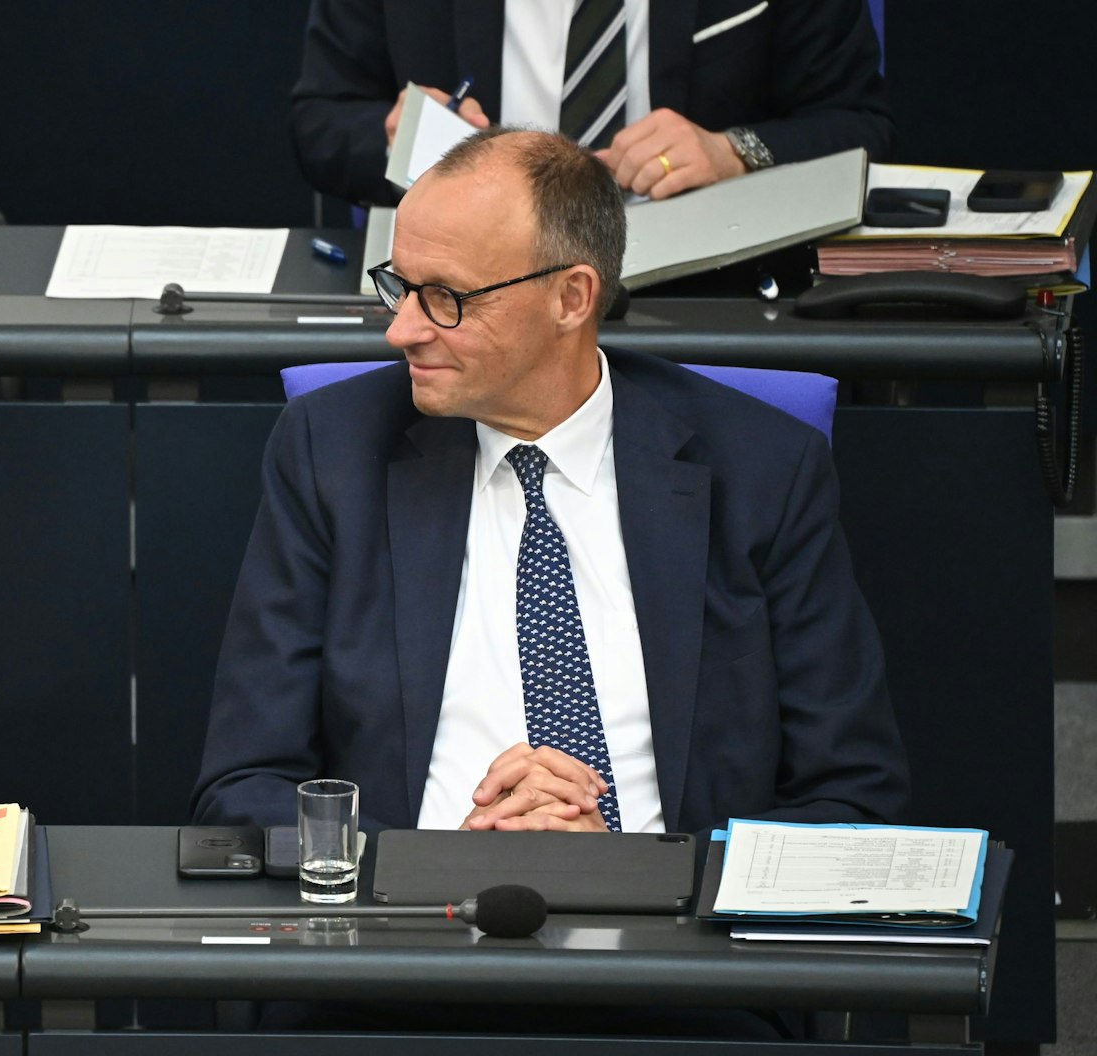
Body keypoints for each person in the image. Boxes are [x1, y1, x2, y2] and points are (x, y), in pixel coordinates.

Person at [194, 127, 907, 837]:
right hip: (413, 924)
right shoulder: (332, 451)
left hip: (670, 934)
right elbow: (244, 785)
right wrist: (428, 867)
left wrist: (642, 874)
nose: (402, 330)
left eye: (445, 297)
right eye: (400, 287)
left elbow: (851, 796)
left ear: (572, 298)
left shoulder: (763, 468)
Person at [291, 0, 895, 205]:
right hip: (473, 302)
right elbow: (322, 123)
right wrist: (400, 136)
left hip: (707, 297)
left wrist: (734, 152)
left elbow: (859, 126)